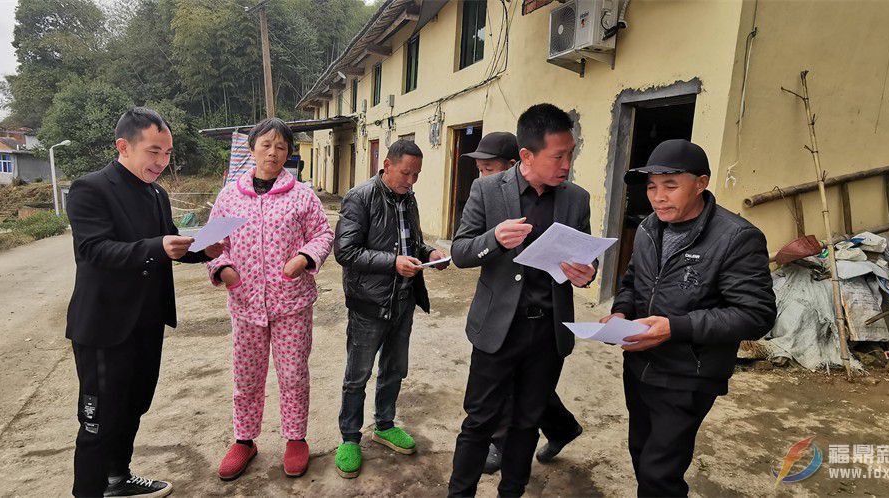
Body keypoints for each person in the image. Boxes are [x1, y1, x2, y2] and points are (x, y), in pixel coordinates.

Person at [65, 107, 223, 498]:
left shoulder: (157, 193)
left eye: (167, 154)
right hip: (105, 326)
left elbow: (170, 243)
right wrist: (157, 246)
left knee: (133, 405)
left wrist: (205, 250)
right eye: (154, 152)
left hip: (146, 322)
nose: (162, 162)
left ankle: (118, 480)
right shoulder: (91, 188)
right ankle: (88, 492)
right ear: (124, 146)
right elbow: (94, 250)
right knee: (99, 419)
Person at [603, 139, 776, 496]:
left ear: (701, 184)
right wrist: (621, 312)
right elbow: (633, 280)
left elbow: (756, 314)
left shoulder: (736, 238)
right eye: (652, 187)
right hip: (639, 363)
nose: (658, 197)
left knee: (659, 470)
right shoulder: (650, 227)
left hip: (689, 373)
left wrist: (674, 328)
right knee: (641, 452)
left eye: (670, 185)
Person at [447, 104, 596, 497]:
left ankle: (511, 491)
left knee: (527, 422)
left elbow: (586, 256)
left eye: (571, 153)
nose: (567, 163)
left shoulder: (576, 199)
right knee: (479, 421)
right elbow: (461, 251)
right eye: (558, 156)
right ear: (527, 155)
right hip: (498, 329)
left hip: (547, 333)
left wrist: (587, 272)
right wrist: (493, 239)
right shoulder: (486, 189)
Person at [205, 118, 334, 480]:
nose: (273, 152)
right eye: (265, 145)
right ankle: (245, 440)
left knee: (293, 374)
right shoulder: (230, 196)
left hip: (291, 302)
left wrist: (305, 258)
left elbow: (323, 234)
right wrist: (222, 267)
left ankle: (295, 438)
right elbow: (213, 244)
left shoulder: (302, 196)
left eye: (281, 147)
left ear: (289, 153)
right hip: (245, 303)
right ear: (252, 149)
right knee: (247, 376)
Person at [333, 139, 450, 478]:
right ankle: (349, 439)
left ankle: (384, 424)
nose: (411, 181)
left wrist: (428, 254)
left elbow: (409, 241)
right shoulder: (360, 197)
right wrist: (392, 264)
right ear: (386, 164)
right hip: (369, 304)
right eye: (405, 173)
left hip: (403, 301)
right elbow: (346, 252)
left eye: (416, 175)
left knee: (394, 370)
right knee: (357, 376)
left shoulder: (407, 198)